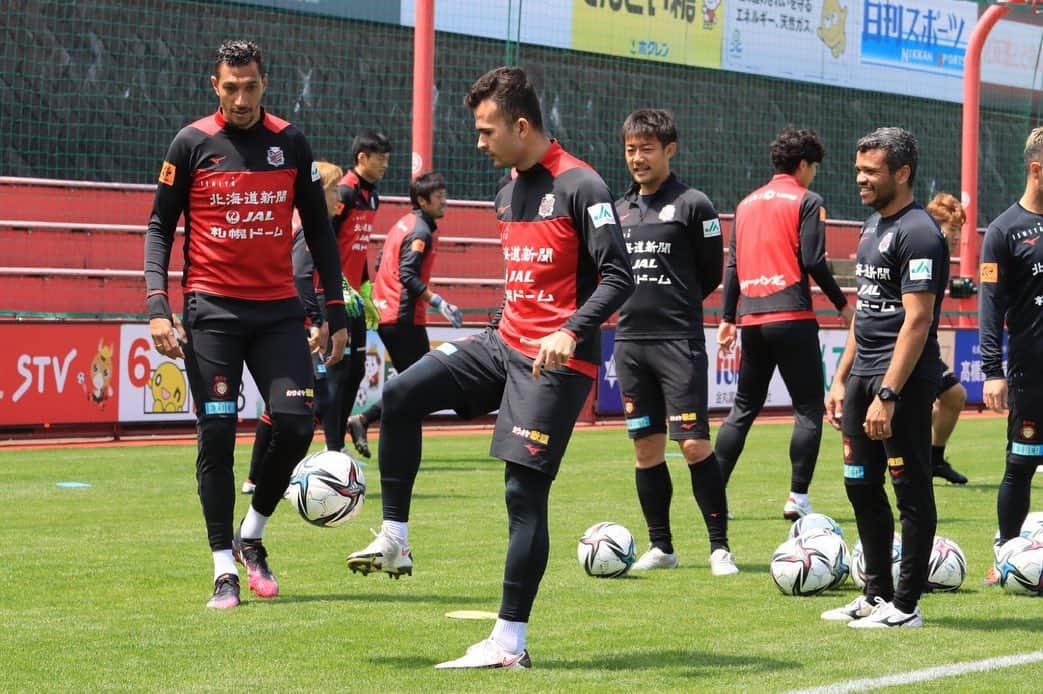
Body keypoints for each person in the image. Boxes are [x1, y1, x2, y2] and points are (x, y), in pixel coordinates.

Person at [346, 66, 633, 669]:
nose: (479, 141)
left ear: (521, 125)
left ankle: (509, 644)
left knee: (521, 495)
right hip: (502, 343)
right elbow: (526, 280)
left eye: (486, 130)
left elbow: (618, 278)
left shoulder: (582, 185)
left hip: (554, 362)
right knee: (399, 394)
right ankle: (394, 538)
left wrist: (570, 330)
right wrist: (505, 321)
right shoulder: (507, 192)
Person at [144, 40, 348, 609]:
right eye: (230, 87)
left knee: (297, 422)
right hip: (211, 313)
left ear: (265, 83)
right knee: (215, 434)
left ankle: (251, 535)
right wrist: (158, 306)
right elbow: (160, 228)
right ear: (216, 86)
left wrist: (334, 313)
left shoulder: (291, 144)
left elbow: (320, 232)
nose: (240, 98)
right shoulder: (191, 144)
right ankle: (221, 570)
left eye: (250, 86)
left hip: (279, 310)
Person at [821, 127, 949, 628]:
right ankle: (875, 594)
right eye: (859, 170)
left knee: (910, 491)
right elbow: (866, 311)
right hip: (862, 381)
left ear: (902, 172)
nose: (861, 180)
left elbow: (917, 321)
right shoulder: (872, 227)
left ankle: (906, 606)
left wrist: (889, 392)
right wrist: (841, 378)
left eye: (871, 171)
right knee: (859, 484)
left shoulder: (920, 232)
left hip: (903, 383)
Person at [610, 108, 735, 575]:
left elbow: (708, 272)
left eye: (646, 149)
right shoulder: (618, 209)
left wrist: (676, 304)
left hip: (677, 340)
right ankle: (661, 548)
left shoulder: (694, 205)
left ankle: (720, 547)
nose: (637, 159)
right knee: (646, 448)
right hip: (629, 342)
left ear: (669, 150)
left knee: (693, 445)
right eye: (630, 150)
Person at [714, 127, 853, 520]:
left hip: (751, 319)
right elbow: (812, 260)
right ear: (804, 164)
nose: (814, 176)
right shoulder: (807, 200)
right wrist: (842, 305)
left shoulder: (745, 204)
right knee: (808, 409)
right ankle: (797, 498)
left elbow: (733, 266)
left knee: (742, 409)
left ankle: (715, 491)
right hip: (792, 315)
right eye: (814, 168)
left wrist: (726, 319)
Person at [243, 161, 350, 494]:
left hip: (289, 317)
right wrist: (314, 321)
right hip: (294, 321)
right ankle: (276, 475)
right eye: (334, 190)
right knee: (315, 400)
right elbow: (301, 274)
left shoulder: (303, 222)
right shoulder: (307, 225)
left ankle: (257, 477)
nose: (339, 197)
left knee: (296, 403)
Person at [346, 172, 463, 458]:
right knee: (421, 383)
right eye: (439, 197)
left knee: (412, 383)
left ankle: (370, 425)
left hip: (391, 315)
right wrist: (439, 302)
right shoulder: (420, 231)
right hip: (403, 317)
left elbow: (380, 260)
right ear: (422, 200)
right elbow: (408, 273)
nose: (444, 201)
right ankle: (372, 427)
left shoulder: (403, 224)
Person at [979, 127, 1043, 585]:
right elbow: (990, 305)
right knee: (1022, 463)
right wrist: (991, 370)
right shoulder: (1003, 231)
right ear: (1037, 170)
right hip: (1031, 371)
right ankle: (1005, 553)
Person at [321, 130, 391, 455]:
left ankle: (343, 434)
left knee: (357, 370)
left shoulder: (372, 197)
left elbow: (357, 249)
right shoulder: (345, 193)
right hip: (334, 295)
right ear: (362, 157)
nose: (385, 165)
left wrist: (365, 288)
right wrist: (340, 286)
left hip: (353, 298)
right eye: (381, 158)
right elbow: (325, 244)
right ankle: (333, 450)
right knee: (338, 374)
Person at [924, 193, 969, 485]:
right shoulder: (924, 250)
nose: (956, 236)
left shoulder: (940, 257)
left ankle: (934, 460)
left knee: (952, 396)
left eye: (959, 230)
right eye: (952, 229)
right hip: (905, 343)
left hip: (924, 344)